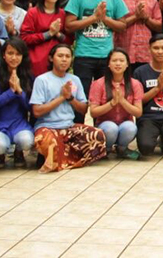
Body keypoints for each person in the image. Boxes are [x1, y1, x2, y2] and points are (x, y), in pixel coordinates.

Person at [64, 0, 128, 121]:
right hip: (84, 55)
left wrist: (105, 19)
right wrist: (94, 18)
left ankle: (103, 135)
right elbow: (69, 26)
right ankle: (78, 132)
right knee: (81, 97)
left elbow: (122, 25)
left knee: (105, 98)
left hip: (107, 57)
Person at [30, 43, 106, 172]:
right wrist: (61, 97)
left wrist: (70, 98)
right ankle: (64, 157)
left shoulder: (74, 79)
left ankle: (59, 159)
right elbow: (36, 111)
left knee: (97, 135)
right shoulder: (42, 80)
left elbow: (83, 109)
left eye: (67, 56)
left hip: (68, 127)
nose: (64, 59)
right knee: (49, 143)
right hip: (47, 127)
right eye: (60, 56)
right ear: (51, 58)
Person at [0, 39, 34, 169]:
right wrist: (11, 92)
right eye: (10, 53)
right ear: (4, 55)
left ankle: (19, 152)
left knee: (27, 141)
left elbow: (32, 108)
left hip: (19, 125)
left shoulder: (28, 78)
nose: (14, 58)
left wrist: (19, 90)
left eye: (18, 54)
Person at [89, 48, 144, 159]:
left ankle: (122, 149)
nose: (118, 63)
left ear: (127, 64)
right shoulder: (98, 84)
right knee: (111, 128)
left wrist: (122, 101)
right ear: (108, 64)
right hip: (104, 125)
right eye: (114, 60)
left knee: (131, 128)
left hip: (125, 123)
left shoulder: (135, 84)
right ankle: (106, 149)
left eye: (121, 61)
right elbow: (93, 112)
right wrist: (112, 103)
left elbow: (138, 113)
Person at [20, 0, 70, 77]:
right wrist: (48, 34)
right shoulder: (33, 13)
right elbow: (24, 38)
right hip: (36, 62)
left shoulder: (63, 13)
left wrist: (58, 34)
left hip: (58, 63)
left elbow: (70, 40)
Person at [117, 0, 162, 72]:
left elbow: (159, 26)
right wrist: (136, 17)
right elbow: (115, 25)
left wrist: (146, 18)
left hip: (145, 53)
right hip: (124, 52)